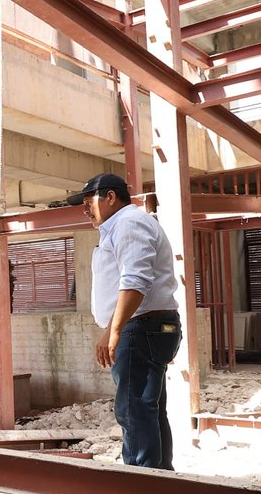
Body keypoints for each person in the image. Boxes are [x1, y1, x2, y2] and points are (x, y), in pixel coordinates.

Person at [72, 172, 181, 470]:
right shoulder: (121, 226)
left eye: (89, 202)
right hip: (150, 327)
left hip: (141, 329)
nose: (85, 210)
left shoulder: (129, 223)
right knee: (149, 409)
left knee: (133, 409)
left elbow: (135, 281)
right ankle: (160, 478)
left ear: (110, 197)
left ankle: (141, 483)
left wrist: (114, 330)